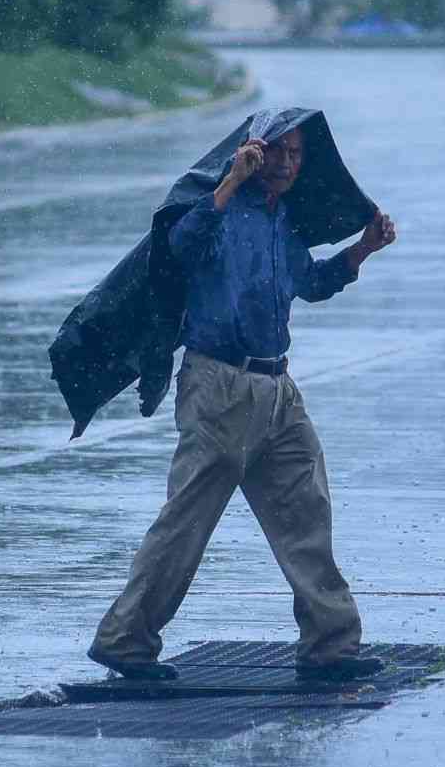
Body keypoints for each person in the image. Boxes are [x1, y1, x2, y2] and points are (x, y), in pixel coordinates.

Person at [86, 125, 397, 682]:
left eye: (295, 154)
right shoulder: (220, 209)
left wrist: (363, 250)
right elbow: (178, 248)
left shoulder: (283, 221)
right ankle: (125, 641)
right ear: (252, 153)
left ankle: (330, 646)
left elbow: (312, 282)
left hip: (278, 388)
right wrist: (231, 181)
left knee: (307, 512)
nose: (285, 162)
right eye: (276, 149)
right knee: (186, 522)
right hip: (218, 389)